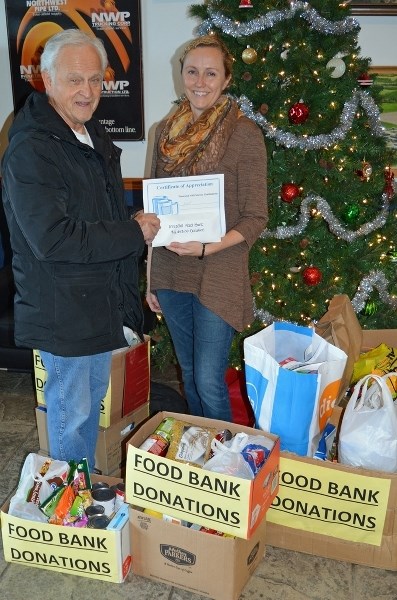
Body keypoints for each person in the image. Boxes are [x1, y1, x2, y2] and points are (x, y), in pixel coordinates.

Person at [1, 29, 160, 471]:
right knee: (72, 420)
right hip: (64, 314)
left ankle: (81, 496)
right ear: (46, 81)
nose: (87, 91)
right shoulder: (32, 149)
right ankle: (69, 520)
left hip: (95, 307)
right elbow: (54, 238)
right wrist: (133, 233)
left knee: (87, 414)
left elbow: (100, 219)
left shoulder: (87, 136)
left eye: (94, 80)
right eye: (74, 80)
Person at [146, 35, 268, 422]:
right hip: (170, 270)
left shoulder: (244, 134)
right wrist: (150, 280)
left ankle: (224, 462)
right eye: (192, 71)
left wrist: (205, 248)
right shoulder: (163, 132)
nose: (200, 81)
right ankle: (200, 454)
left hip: (218, 270)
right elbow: (152, 215)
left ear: (226, 79)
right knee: (190, 375)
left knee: (209, 379)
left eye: (211, 73)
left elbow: (256, 217)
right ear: (181, 75)